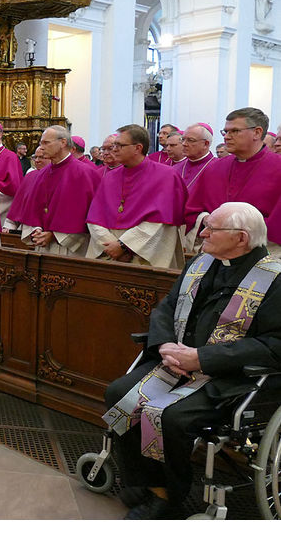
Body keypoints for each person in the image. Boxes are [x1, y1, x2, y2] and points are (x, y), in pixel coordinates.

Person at [102, 202, 281, 520]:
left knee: (171, 417)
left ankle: (167, 496)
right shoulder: (201, 264)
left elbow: (273, 345)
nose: (203, 232)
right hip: (175, 362)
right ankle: (140, 479)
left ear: (241, 238)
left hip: (229, 375)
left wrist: (202, 358)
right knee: (119, 394)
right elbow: (167, 307)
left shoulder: (274, 280)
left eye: (212, 228)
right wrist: (166, 346)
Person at [85, 124, 187, 269]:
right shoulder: (110, 177)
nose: (114, 149)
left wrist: (124, 246)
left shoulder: (166, 176)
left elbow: (162, 223)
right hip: (109, 254)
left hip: (147, 255)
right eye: (114, 145)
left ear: (138, 148)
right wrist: (110, 246)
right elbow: (95, 217)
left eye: (119, 145)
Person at [186, 107, 281, 255]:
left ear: (257, 132)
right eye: (225, 131)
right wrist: (208, 220)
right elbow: (193, 210)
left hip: (262, 252)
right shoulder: (214, 168)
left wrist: (242, 232)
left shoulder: (278, 168)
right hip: (214, 251)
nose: (227, 137)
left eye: (234, 131)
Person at [5, 126, 99, 256]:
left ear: (63, 143)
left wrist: (54, 235)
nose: (41, 147)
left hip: (70, 248)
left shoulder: (84, 173)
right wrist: (36, 229)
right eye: (40, 143)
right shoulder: (42, 174)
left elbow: (84, 214)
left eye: (46, 143)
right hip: (42, 245)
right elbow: (34, 208)